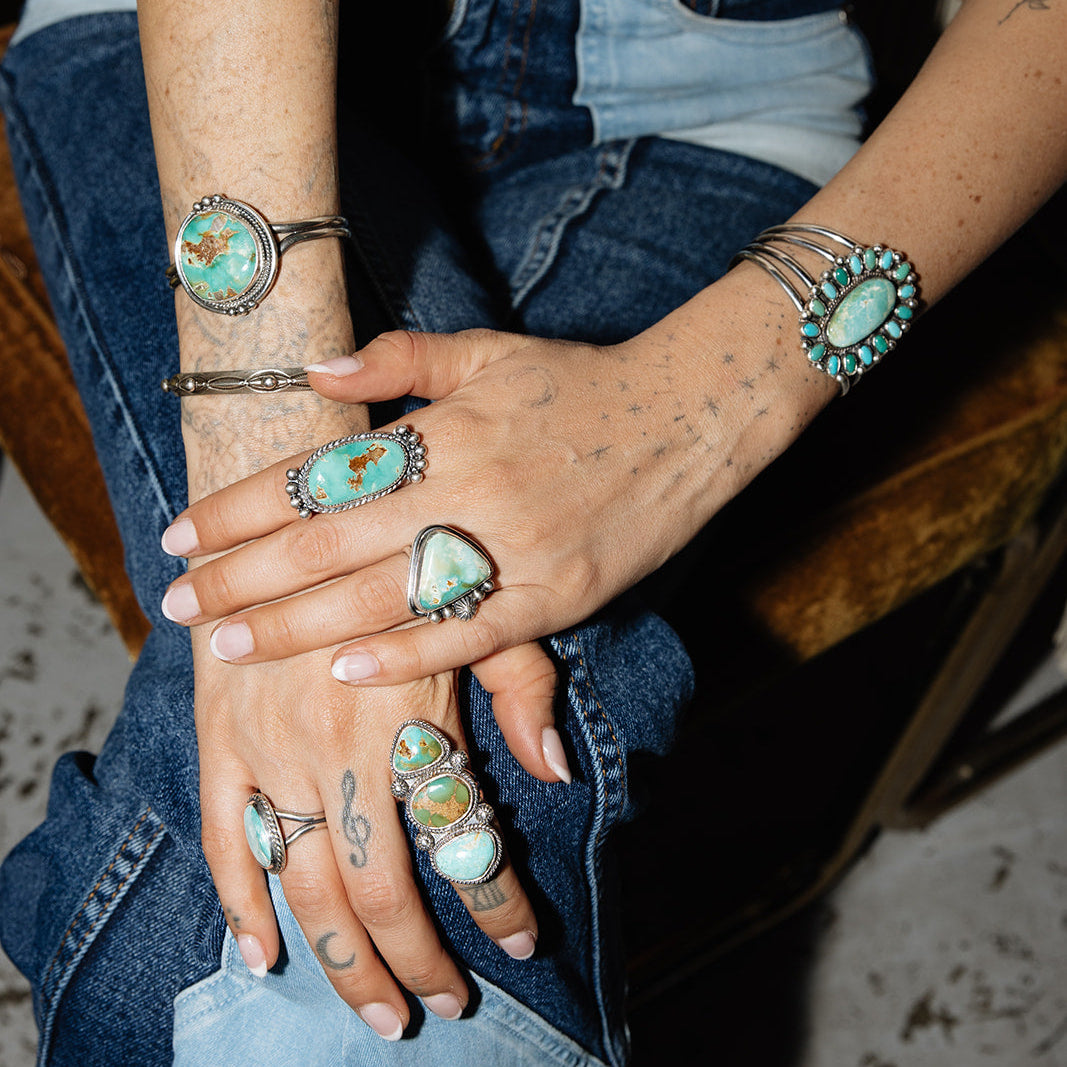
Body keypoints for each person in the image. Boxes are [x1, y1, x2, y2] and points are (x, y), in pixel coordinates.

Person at [1, 0, 1064, 1063]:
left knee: (281, 898)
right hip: (200, 53)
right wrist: (271, 424)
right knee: (374, 848)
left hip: (713, 108)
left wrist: (699, 409)